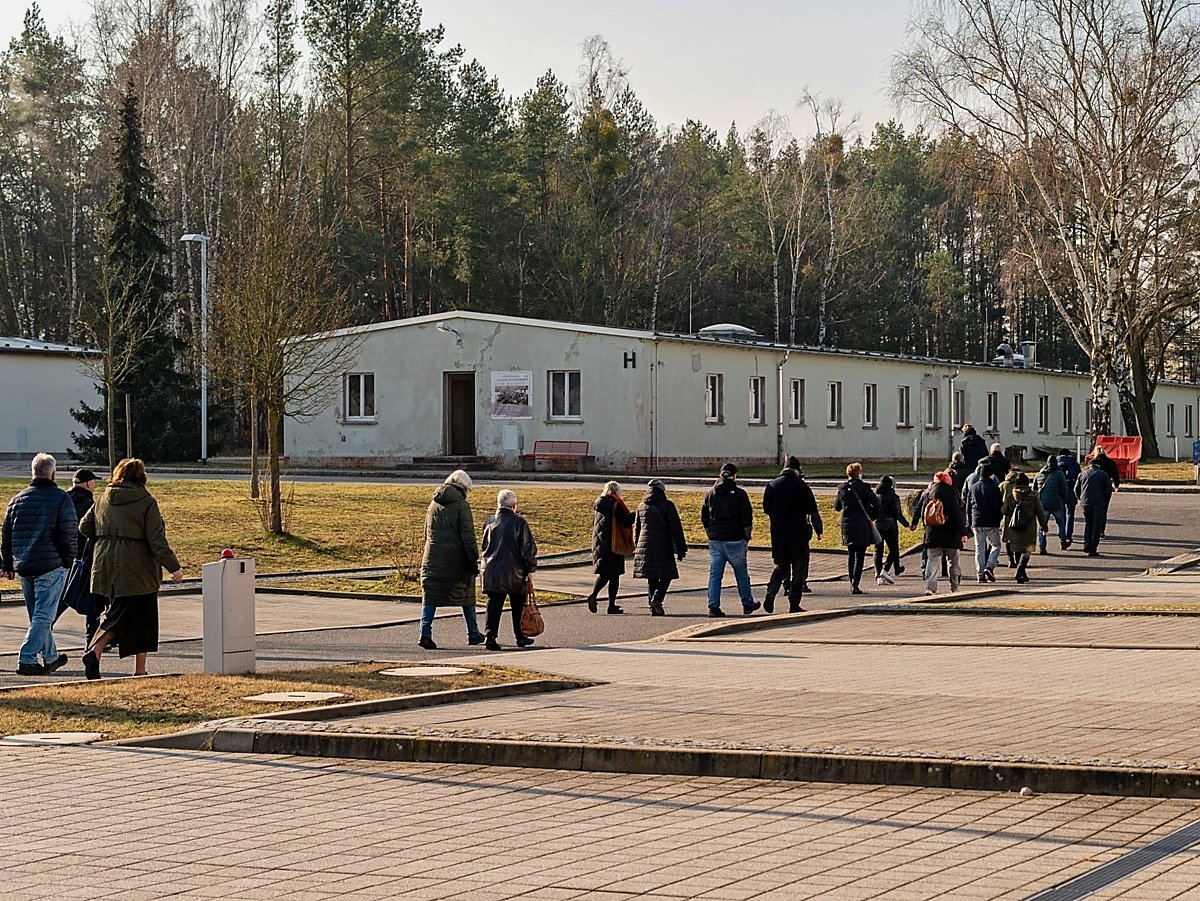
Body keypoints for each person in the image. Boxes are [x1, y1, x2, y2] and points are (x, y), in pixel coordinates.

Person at [79, 458, 182, 679]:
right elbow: (156, 540)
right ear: (141, 476)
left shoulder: (103, 497)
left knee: (116, 614)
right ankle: (130, 666)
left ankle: (98, 654)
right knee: (142, 619)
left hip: (105, 567)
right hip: (137, 571)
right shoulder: (146, 501)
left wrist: (108, 535)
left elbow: (84, 527)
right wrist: (174, 567)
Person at [1, 453, 75, 675]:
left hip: (24, 565)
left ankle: (51, 656)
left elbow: (6, 535)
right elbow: (68, 534)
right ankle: (27, 658)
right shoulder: (61, 499)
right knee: (44, 615)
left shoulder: (16, 500)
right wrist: (69, 562)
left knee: (37, 615)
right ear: (53, 473)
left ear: (32, 472)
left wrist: (8, 563)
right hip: (51, 565)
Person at [416, 470, 484, 650]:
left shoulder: (433, 504)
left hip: (432, 560)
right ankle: (473, 633)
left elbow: (426, 532)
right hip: (456, 562)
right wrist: (473, 561)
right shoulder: (462, 506)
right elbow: (468, 537)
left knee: (430, 597)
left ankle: (424, 633)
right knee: (467, 594)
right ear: (464, 488)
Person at [480, 490, 538, 651]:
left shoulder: (489, 522)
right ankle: (520, 636)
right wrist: (530, 569)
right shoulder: (519, 522)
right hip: (515, 570)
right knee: (518, 604)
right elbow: (527, 548)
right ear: (514, 505)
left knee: (493, 604)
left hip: (492, 570)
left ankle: (490, 636)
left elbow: (484, 547)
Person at [763, 457, 822, 613]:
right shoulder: (802, 487)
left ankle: (771, 593)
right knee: (798, 568)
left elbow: (766, 509)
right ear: (797, 470)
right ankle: (794, 603)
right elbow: (811, 509)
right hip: (798, 534)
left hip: (778, 534)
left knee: (780, 565)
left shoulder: (772, 485)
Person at [701, 463, 758, 617]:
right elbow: (747, 517)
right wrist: (747, 536)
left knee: (715, 575)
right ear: (734, 476)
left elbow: (704, 517)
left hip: (715, 540)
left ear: (720, 475)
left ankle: (713, 606)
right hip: (735, 539)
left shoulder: (711, 494)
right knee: (741, 574)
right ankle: (747, 604)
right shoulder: (740, 494)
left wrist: (710, 533)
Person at [633, 479, 687, 616]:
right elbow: (676, 528)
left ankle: (653, 607)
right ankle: (657, 598)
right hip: (663, 546)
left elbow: (637, 528)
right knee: (667, 575)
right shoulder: (667, 506)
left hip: (644, 546)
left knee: (651, 578)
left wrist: (637, 547)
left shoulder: (641, 506)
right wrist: (681, 548)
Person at [915, 470, 968, 595]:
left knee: (933, 561)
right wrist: (963, 532)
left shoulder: (929, 494)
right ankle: (954, 587)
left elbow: (924, 513)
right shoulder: (952, 494)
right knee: (954, 561)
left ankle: (930, 588)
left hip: (933, 533)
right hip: (951, 534)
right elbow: (957, 516)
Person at [67, 467, 103, 644]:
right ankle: (92, 638)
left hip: (65, 557)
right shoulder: (90, 505)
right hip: (85, 557)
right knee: (91, 599)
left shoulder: (64, 500)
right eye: (94, 482)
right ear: (89, 484)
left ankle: (44, 630)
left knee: (64, 598)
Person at [588, 481, 636, 615]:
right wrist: (637, 514)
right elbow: (625, 520)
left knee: (606, 574)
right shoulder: (616, 504)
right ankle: (605, 602)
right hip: (615, 543)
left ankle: (602, 600)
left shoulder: (599, 504)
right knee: (613, 575)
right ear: (616, 491)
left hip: (601, 544)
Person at [835, 462, 879, 595]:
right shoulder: (865, 487)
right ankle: (855, 583)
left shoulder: (842, 488)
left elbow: (837, 507)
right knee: (860, 554)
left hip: (847, 524)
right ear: (859, 473)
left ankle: (851, 580)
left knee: (851, 553)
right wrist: (872, 516)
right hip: (862, 524)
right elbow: (876, 503)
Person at [1000, 469, 1048, 583]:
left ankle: (1020, 571)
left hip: (1014, 527)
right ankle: (1021, 570)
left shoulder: (1011, 495)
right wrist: (1044, 526)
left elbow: (1004, 510)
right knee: (1026, 551)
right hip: (1029, 528)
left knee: (1017, 550)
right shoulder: (1033, 496)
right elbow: (1040, 513)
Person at [964, 462, 1003, 583]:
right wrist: (999, 519)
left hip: (976, 521)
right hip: (991, 521)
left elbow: (968, 507)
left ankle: (980, 574)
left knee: (979, 548)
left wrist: (970, 522)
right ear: (991, 475)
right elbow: (998, 506)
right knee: (996, 545)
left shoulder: (974, 487)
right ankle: (990, 565)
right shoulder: (994, 487)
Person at [1076, 456, 1115, 556]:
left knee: (1088, 523)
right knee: (1096, 526)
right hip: (1099, 503)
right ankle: (1093, 548)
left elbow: (1076, 489)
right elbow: (1108, 490)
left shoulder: (1082, 474)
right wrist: (1105, 502)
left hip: (1086, 502)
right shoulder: (1104, 475)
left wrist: (1081, 498)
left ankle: (1087, 542)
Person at [873, 475, 908, 585]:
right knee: (893, 549)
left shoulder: (875, 495)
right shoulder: (893, 496)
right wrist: (906, 524)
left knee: (878, 551)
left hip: (877, 525)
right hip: (890, 526)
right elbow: (897, 513)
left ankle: (878, 574)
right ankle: (885, 569)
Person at [1033, 456, 1070, 553]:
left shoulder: (1039, 474)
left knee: (1042, 525)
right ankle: (1063, 541)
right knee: (1061, 523)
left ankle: (1042, 546)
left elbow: (1034, 489)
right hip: (1057, 503)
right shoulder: (1059, 474)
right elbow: (1064, 489)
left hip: (1043, 504)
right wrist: (1063, 500)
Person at [1056, 448, 1082, 545]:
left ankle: (1061, 533)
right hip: (1071, 490)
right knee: (1070, 513)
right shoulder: (1075, 464)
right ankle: (1068, 534)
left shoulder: (1057, 464)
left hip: (1060, 492)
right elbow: (1079, 480)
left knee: (1061, 514)